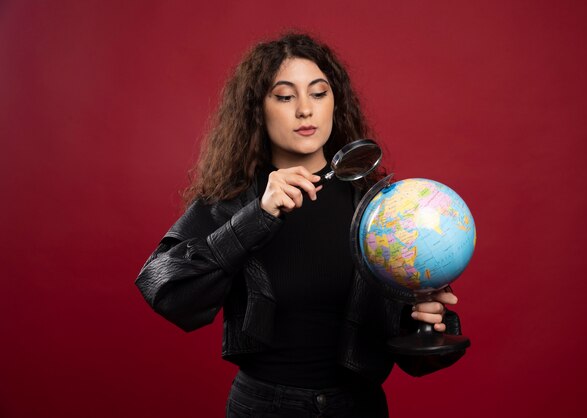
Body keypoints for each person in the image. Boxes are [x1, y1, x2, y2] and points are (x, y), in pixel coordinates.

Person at [135, 32, 464, 418]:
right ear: (258, 108)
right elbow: (167, 291)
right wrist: (257, 216)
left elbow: (418, 360)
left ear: (334, 103)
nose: (305, 110)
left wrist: (424, 323)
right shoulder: (234, 200)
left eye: (318, 93)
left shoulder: (380, 208)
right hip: (265, 407)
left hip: (358, 407)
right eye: (285, 96)